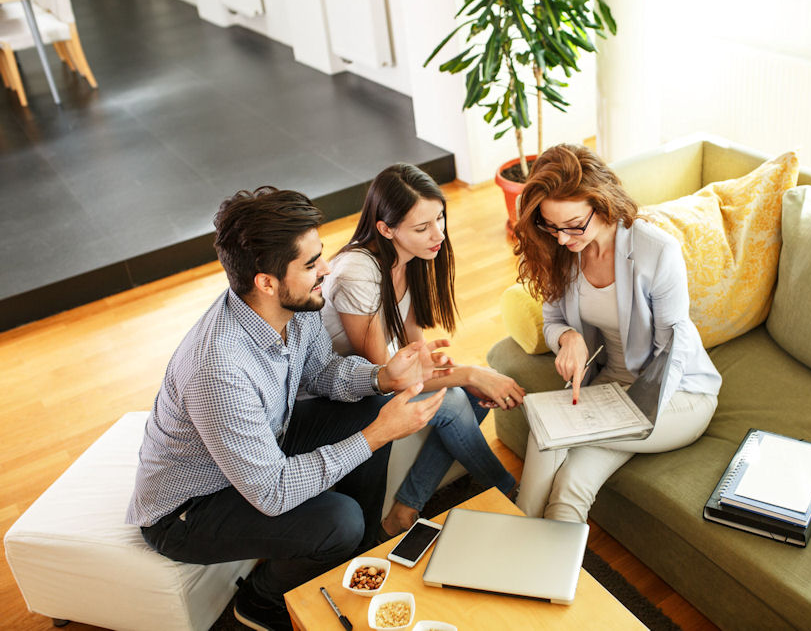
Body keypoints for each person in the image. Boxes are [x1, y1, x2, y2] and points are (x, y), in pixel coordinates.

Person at [126, 186, 455, 631]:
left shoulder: (295, 303)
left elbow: (321, 373)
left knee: (369, 405)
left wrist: (383, 378)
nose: (327, 269)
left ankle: (356, 555)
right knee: (341, 519)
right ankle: (261, 601)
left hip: (264, 447)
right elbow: (272, 491)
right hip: (190, 506)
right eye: (311, 263)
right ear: (266, 281)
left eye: (321, 254)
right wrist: (378, 434)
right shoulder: (220, 369)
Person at [510, 144, 722, 523]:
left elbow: (671, 351)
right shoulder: (564, 250)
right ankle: (541, 573)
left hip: (675, 395)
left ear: (603, 202)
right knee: (572, 485)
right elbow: (552, 321)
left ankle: (515, 536)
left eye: (573, 225)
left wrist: (625, 411)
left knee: (549, 430)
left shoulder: (656, 252)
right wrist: (568, 338)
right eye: (551, 226)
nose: (561, 238)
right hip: (611, 386)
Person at [320, 163, 520, 538]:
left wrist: (437, 363)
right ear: (385, 228)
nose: (438, 234)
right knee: (459, 399)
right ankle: (506, 487)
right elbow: (386, 376)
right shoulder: (358, 274)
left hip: (377, 378)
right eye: (422, 227)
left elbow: (413, 347)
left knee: (473, 395)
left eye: (440, 218)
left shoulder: (410, 258)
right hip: (343, 392)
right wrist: (470, 374)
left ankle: (405, 508)